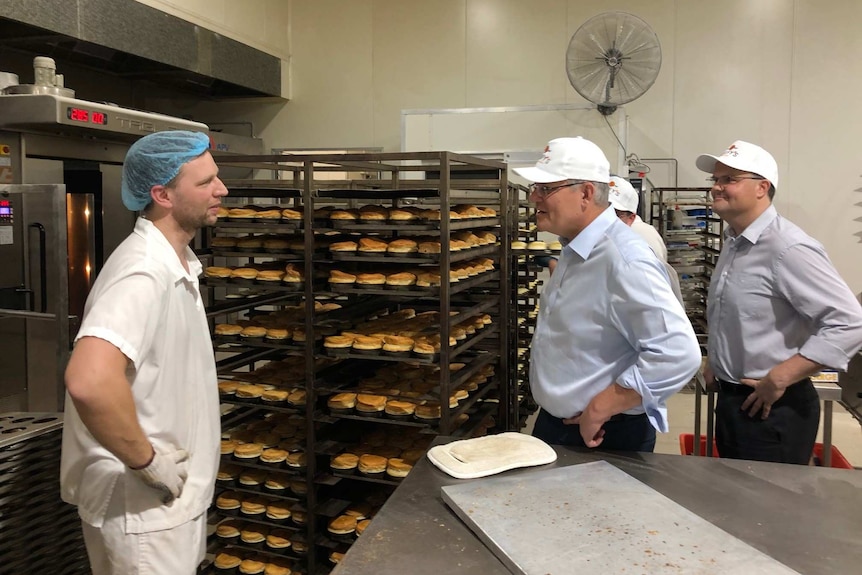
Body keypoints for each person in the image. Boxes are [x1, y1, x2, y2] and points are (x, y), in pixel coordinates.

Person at [60, 130, 227, 574]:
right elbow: (89, 380)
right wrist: (148, 463)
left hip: (164, 509)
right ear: (162, 194)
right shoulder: (143, 272)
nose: (221, 189)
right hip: (142, 512)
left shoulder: (175, 264)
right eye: (206, 182)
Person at [517, 136, 701, 452]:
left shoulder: (624, 259)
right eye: (535, 188)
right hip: (560, 425)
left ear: (586, 193)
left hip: (603, 434)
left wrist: (603, 405)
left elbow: (678, 354)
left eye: (545, 189)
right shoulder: (574, 250)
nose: (534, 197)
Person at [696, 140, 862, 464]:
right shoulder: (734, 242)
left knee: (767, 510)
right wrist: (717, 360)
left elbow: (849, 321)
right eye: (715, 180)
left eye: (729, 179)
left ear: (762, 187)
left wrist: (781, 376)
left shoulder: (788, 247)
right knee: (737, 503)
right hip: (734, 401)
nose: (716, 187)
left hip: (773, 408)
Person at [608, 175, 683, 304]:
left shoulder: (644, 236)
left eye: (615, 214)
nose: (605, 220)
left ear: (630, 218)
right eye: (601, 212)